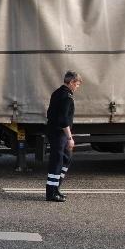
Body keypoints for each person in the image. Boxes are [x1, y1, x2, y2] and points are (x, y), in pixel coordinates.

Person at [45, 71, 82, 202]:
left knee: (65, 159)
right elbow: (63, 119)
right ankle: (51, 193)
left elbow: (50, 113)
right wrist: (70, 138)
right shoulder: (66, 96)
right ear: (71, 82)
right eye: (77, 84)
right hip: (59, 133)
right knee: (57, 161)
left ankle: (56, 189)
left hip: (55, 131)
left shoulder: (57, 92)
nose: (77, 87)